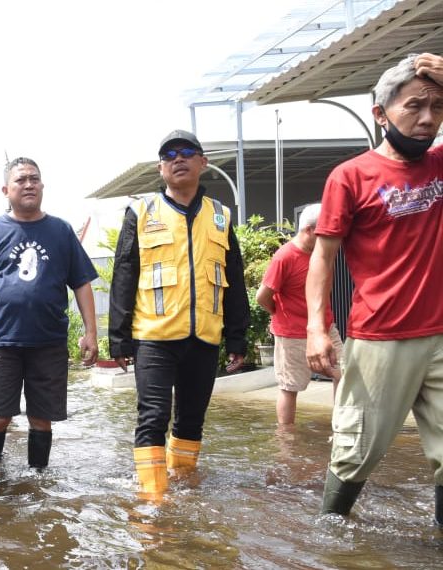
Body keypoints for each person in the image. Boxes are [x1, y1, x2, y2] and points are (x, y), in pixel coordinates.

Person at [306, 53, 443, 524]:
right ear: (381, 114)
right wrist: (316, 329)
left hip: (441, 334)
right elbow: (322, 257)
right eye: (414, 106)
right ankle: (329, 534)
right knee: (357, 449)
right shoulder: (351, 176)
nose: (427, 119)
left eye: (438, 107)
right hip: (382, 337)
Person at [108, 130, 249, 498]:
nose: (178, 159)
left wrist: (237, 337)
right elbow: (124, 275)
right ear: (161, 168)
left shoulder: (220, 216)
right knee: (153, 416)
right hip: (154, 336)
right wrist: (119, 339)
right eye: (169, 155)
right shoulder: (141, 212)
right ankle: (153, 499)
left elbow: (234, 278)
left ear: (203, 162)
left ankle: (184, 487)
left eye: (187, 152)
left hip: (204, 337)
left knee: (191, 420)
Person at [0, 157, 98, 470]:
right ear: (5, 189)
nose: (28, 185)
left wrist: (91, 332)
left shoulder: (61, 230)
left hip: (49, 341)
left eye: (34, 179)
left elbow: (81, 283)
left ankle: (38, 481)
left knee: (41, 419)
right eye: (20, 180)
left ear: (42, 186)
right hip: (2, 341)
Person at [255, 203, 343, 426]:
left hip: (326, 328)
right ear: (309, 230)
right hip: (292, 333)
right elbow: (262, 296)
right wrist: (279, 314)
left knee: (344, 373)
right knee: (290, 386)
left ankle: (342, 425)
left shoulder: (322, 253)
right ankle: (286, 437)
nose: (329, 236)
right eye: (323, 231)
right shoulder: (284, 257)